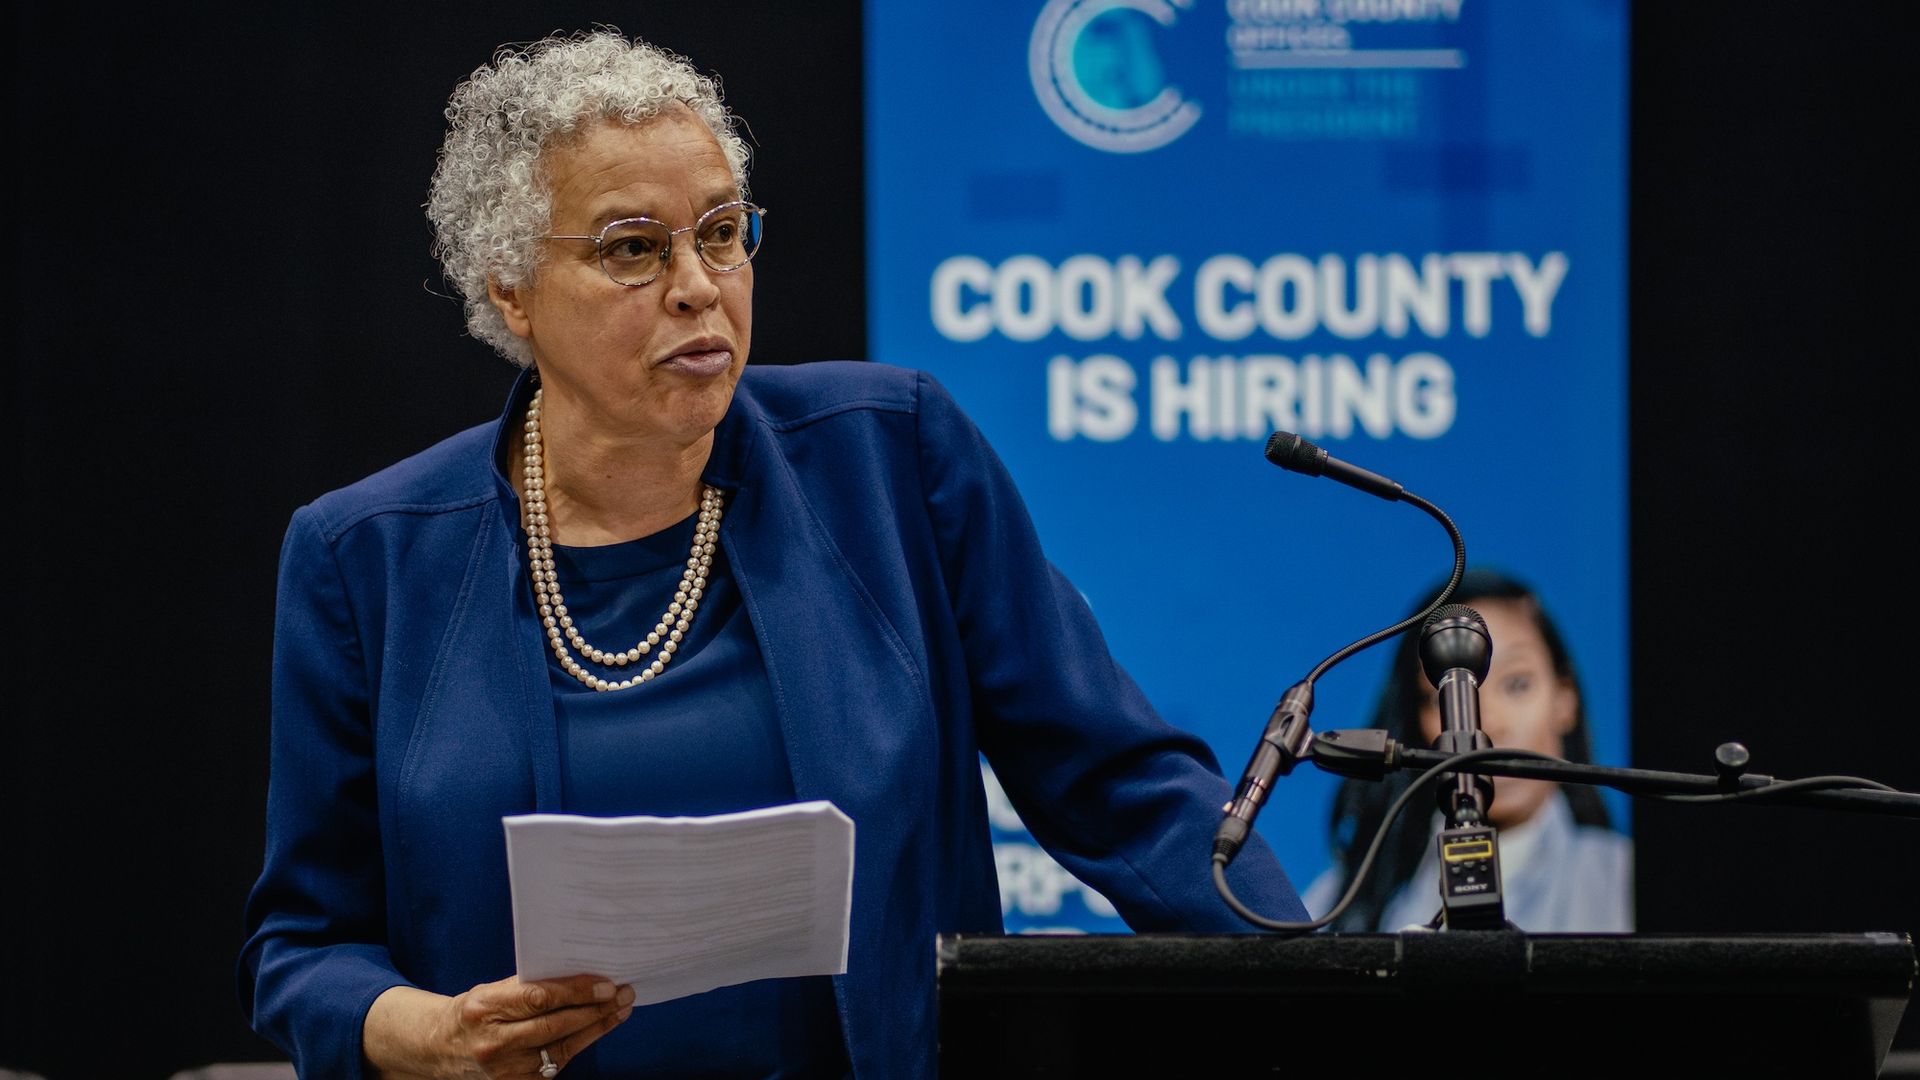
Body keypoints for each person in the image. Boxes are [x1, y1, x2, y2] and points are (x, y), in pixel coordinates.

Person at [237, 29, 1304, 1080]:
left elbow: (1126, 789)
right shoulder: (366, 557)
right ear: (509, 288)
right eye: (632, 249)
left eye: (721, 232)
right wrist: (422, 1035)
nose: (700, 285)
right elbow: (305, 947)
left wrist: (1324, 995)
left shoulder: (890, 458)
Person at [1302, 568, 1632, 932]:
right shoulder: (1347, 896)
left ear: (1564, 698)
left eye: (1516, 684)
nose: (1487, 721)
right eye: (1441, 696)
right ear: (1420, 724)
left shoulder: (1626, 880)